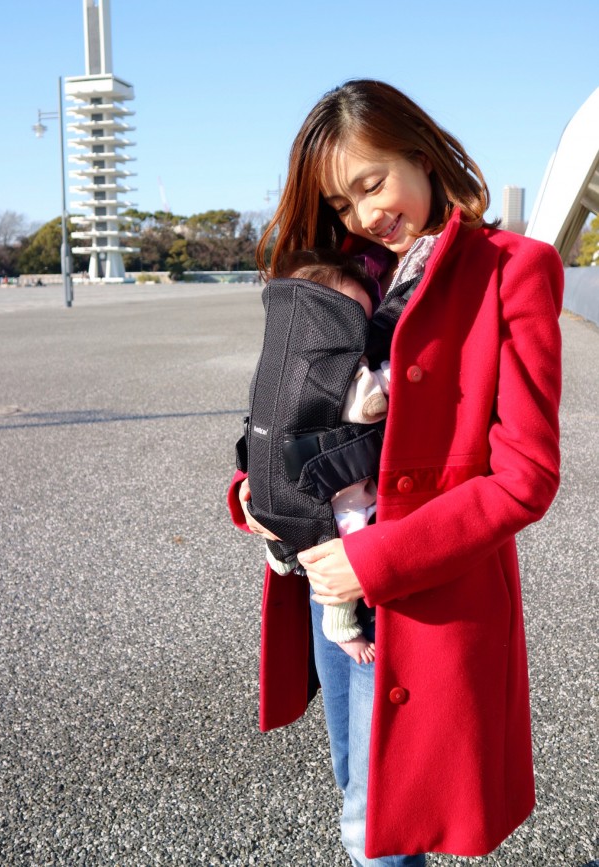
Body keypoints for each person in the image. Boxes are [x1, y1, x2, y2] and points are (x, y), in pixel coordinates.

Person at [227, 79, 563, 865]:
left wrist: (372, 560)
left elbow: (526, 476)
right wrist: (257, 486)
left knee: (379, 823)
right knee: (361, 795)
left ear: (420, 151)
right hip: (327, 579)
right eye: (343, 205)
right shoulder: (335, 279)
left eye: (371, 184)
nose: (364, 215)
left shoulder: (513, 269)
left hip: (425, 589)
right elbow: (288, 402)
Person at [252, 249, 393, 666]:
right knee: (345, 544)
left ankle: (281, 555)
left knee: (301, 540)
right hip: (337, 496)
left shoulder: (286, 361)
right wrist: (390, 373)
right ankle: (342, 626)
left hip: (288, 488)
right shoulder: (333, 375)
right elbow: (368, 405)